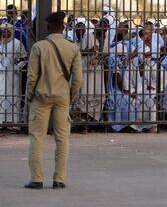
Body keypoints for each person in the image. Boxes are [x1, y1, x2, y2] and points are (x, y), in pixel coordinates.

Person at [24, 11, 82, 189]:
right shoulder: (73, 48)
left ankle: (37, 179)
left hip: (40, 97)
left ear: (48, 26)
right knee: (62, 139)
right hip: (62, 98)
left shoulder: (39, 47)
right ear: (63, 27)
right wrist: (69, 96)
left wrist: (29, 97)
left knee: (37, 138)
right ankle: (59, 179)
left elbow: (32, 77)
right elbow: (78, 79)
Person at [106, 21, 139, 132]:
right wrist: (126, 91)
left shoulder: (129, 46)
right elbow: (117, 77)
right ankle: (121, 126)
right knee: (124, 99)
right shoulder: (114, 55)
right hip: (116, 88)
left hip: (128, 83)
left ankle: (129, 125)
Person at [72, 20, 104, 122]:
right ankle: (80, 120)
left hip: (93, 71)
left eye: (82, 30)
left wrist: (97, 58)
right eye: (78, 30)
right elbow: (77, 54)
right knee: (83, 94)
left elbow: (100, 54)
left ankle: (87, 120)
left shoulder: (92, 39)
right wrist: (89, 51)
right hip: (84, 70)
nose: (79, 32)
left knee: (93, 94)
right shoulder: (87, 38)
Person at [129, 25, 158, 132]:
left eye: (148, 34)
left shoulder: (155, 45)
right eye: (145, 34)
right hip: (140, 76)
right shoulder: (139, 45)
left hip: (152, 74)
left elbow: (154, 59)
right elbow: (135, 57)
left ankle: (152, 125)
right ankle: (138, 126)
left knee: (151, 101)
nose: (147, 36)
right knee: (140, 101)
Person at [0, 23, 27, 125]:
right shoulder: (0, 43)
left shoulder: (17, 43)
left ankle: (13, 122)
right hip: (1, 75)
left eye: (7, 31)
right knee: (2, 96)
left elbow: (23, 58)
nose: (5, 33)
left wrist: (17, 68)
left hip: (13, 75)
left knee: (13, 96)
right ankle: (1, 121)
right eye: (3, 31)